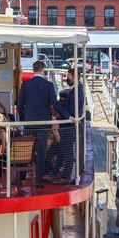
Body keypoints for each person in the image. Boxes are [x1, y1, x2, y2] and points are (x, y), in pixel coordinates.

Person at [17, 60, 72, 188]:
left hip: (29, 124)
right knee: (41, 152)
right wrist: (68, 116)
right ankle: (39, 181)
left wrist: (24, 119)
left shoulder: (25, 85)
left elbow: (20, 105)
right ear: (42, 70)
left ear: (33, 70)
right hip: (44, 124)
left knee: (26, 150)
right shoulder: (48, 85)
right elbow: (56, 104)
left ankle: (21, 179)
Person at [48, 68, 83, 183]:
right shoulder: (75, 91)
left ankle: (66, 176)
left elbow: (71, 112)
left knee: (67, 152)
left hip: (68, 127)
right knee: (63, 151)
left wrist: (57, 118)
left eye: (69, 76)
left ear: (75, 77)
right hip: (68, 126)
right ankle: (53, 174)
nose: (67, 78)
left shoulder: (76, 92)